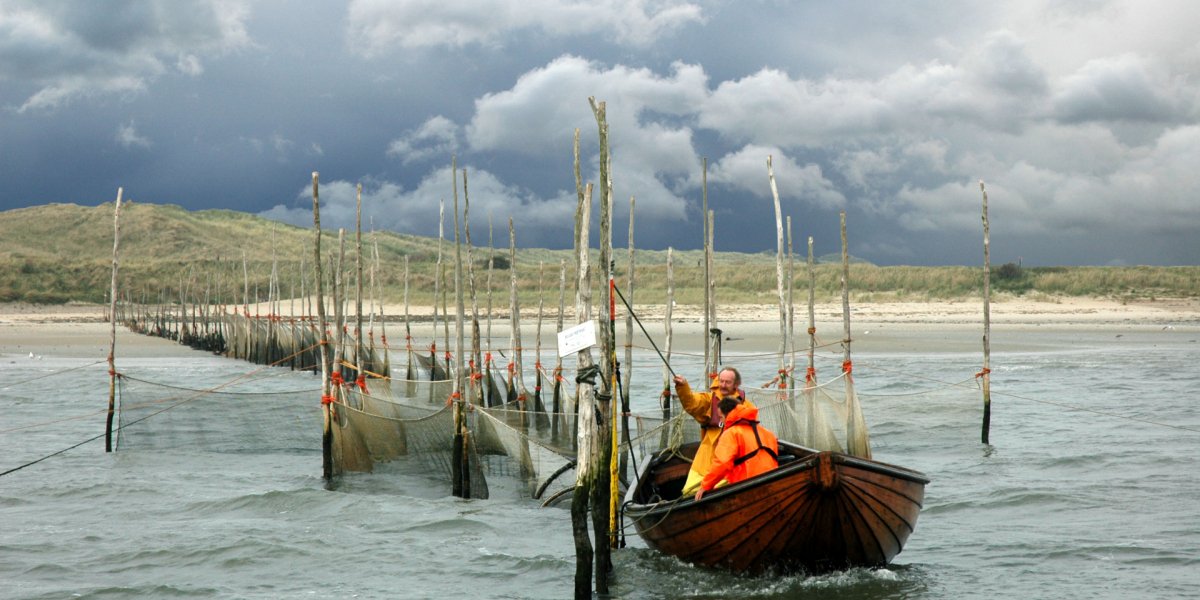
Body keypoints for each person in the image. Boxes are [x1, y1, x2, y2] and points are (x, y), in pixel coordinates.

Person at [672, 367, 750, 496]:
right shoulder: (709, 400)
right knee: (687, 492)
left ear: (736, 384)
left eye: (728, 382)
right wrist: (683, 387)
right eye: (721, 381)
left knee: (717, 492)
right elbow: (692, 403)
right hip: (706, 456)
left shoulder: (746, 407)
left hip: (730, 460)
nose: (723, 385)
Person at [695, 395, 779, 501]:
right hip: (773, 486)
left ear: (727, 415)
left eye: (721, 417)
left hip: (746, 490)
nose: (721, 421)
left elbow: (722, 463)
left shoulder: (731, 433)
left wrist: (705, 486)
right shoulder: (769, 434)